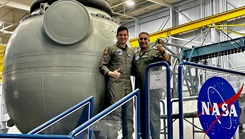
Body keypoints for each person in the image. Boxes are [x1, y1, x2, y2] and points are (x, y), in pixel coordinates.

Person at [132, 32, 170, 139]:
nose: (143, 41)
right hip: (140, 92)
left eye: (145, 39)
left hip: (152, 92)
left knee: (153, 119)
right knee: (141, 120)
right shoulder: (136, 56)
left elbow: (167, 61)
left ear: (148, 41)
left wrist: (162, 50)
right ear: (138, 41)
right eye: (141, 39)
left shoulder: (154, 53)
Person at [99, 26, 135, 139]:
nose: (123, 37)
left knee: (129, 115)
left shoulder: (131, 52)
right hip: (115, 85)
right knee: (115, 115)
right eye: (121, 35)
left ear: (128, 36)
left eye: (125, 35)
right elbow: (102, 66)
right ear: (117, 36)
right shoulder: (110, 49)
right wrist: (110, 73)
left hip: (128, 86)